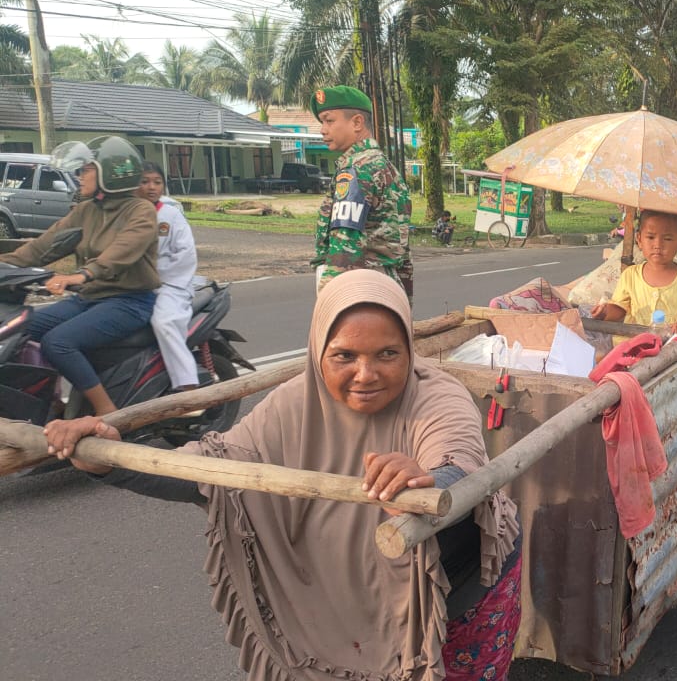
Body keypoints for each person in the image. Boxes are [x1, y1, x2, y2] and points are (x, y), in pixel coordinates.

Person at [44, 270, 523, 681]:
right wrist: (109, 457)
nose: (366, 374)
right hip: (343, 599)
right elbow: (211, 471)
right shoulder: (292, 404)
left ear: (409, 352)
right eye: (344, 356)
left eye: (387, 354)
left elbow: (457, 462)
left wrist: (426, 481)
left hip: (456, 591)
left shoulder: (438, 397)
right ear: (318, 350)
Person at [0, 136, 158, 416]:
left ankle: (107, 413)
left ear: (109, 173)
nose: (79, 176)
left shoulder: (140, 211)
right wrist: (6, 266)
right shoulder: (86, 210)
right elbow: (42, 247)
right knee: (21, 329)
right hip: (89, 299)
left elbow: (122, 251)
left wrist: (82, 275)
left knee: (58, 342)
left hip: (129, 301)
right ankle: (51, 403)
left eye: (86, 170)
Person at [311, 85, 414, 299]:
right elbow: (402, 249)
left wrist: (327, 300)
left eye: (329, 120)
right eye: (322, 122)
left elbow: (344, 247)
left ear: (357, 122)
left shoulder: (356, 171)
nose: (323, 129)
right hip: (386, 287)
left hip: (359, 289)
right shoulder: (383, 166)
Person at [590, 210, 677, 338]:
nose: (657, 245)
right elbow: (620, 309)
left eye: (667, 238)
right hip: (633, 347)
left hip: (673, 348)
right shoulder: (630, 275)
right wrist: (604, 313)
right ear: (639, 239)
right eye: (650, 237)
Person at [137, 162, 199, 391]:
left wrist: (153, 275)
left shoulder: (171, 214)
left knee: (163, 322)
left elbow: (185, 255)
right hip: (133, 285)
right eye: (144, 182)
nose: (151, 187)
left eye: (157, 182)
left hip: (169, 285)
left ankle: (188, 388)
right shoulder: (126, 214)